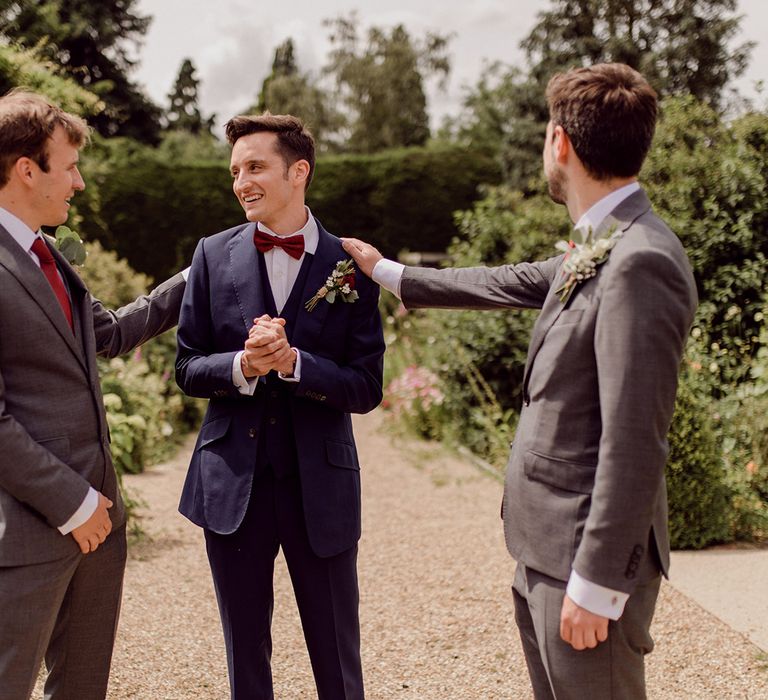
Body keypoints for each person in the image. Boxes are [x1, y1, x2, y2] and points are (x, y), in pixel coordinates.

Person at [343, 63, 697, 699]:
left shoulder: (640, 260)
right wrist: (389, 273)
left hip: (584, 566)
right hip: (545, 549)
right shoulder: (603, 240)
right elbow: (502, 281)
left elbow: (636, 440)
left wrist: (596, 581)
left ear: (559, 142)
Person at [175, 113, 384, 699]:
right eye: (235, 170)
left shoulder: (353, 264)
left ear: (299, 172)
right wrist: (243, 365)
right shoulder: (212, 255)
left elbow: (367, 386)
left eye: (255, 167)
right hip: (231, 485)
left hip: (321, 485)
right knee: (245, 655)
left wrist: (295, 365)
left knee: (337, 655)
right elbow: (187, 366)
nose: (241, 181)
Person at [0, 89, 187, 699]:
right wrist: (72, 504)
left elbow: (107, 334)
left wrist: (197, 274)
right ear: (27, 169)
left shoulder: (48, 253)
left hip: (99, 525)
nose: (78, 183)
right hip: (31, 529)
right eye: (70, 166)